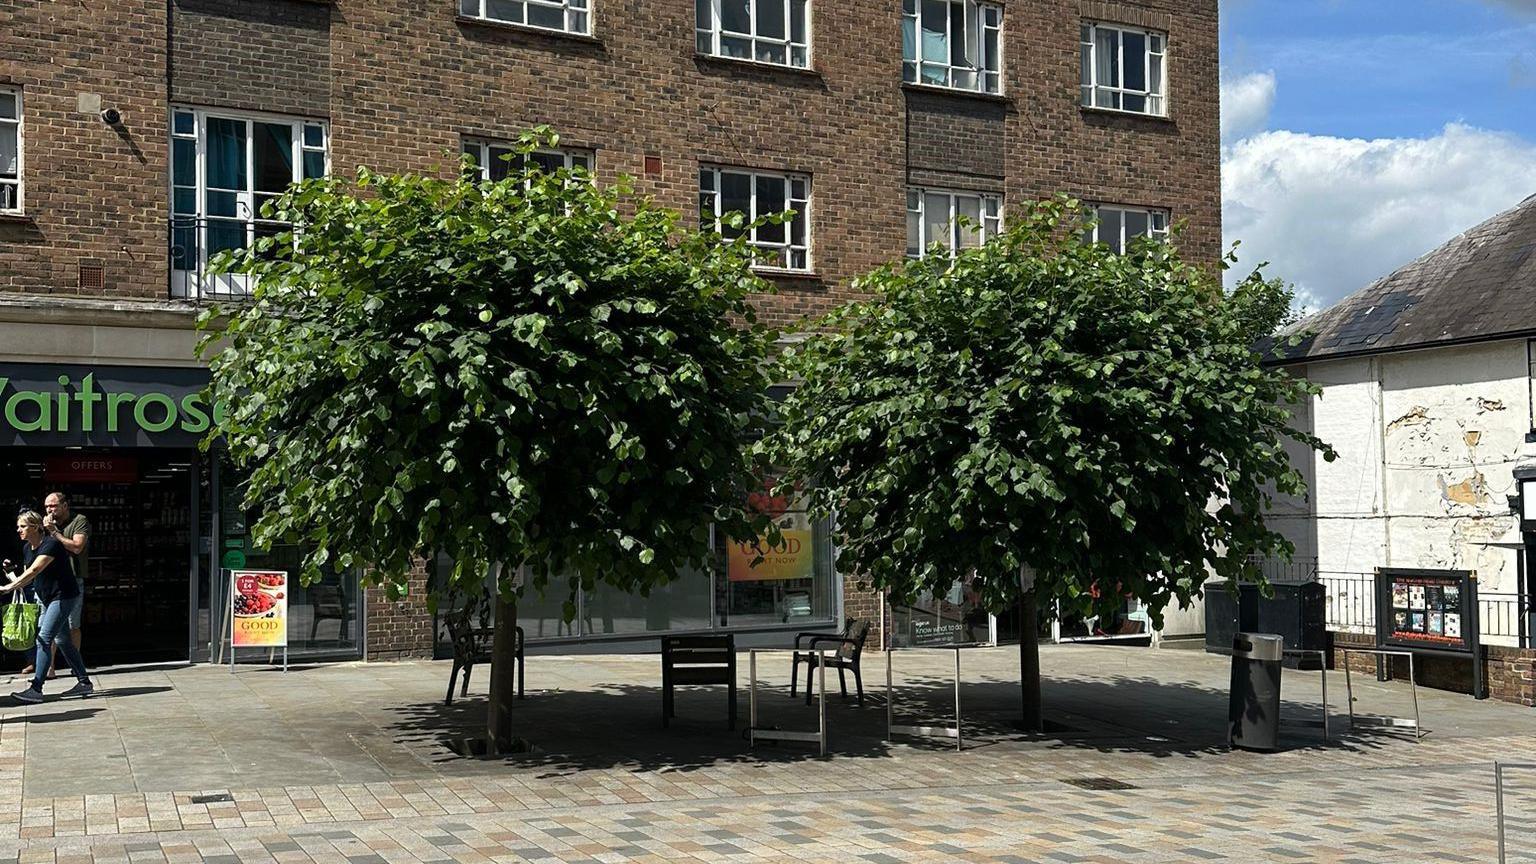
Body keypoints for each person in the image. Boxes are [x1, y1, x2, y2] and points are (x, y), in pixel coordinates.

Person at [2, 510, 92, 702]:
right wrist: (11, 572)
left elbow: (35, 569)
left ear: (36, 527)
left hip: (63, 596)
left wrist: (10, 587)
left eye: (23, 526)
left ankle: (36, 688)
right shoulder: (28, 548)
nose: (19, 530)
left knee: (43, 638)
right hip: (45, 598)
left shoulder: (51, 545)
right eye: (18, 526)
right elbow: (27, 572)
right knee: (63, 641)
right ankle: (84, 682)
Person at [29, 492, 88, 678]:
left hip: (72, 580)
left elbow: (77, 547)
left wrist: (54, 532)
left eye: (53, 506)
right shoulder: (44, 524)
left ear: (64, 505)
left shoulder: (78, 521)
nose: (49, 510)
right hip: (49, 583)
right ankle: (49, 668)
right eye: (47, 506)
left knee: (72, 626)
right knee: (48, 628)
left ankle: (76, 669)